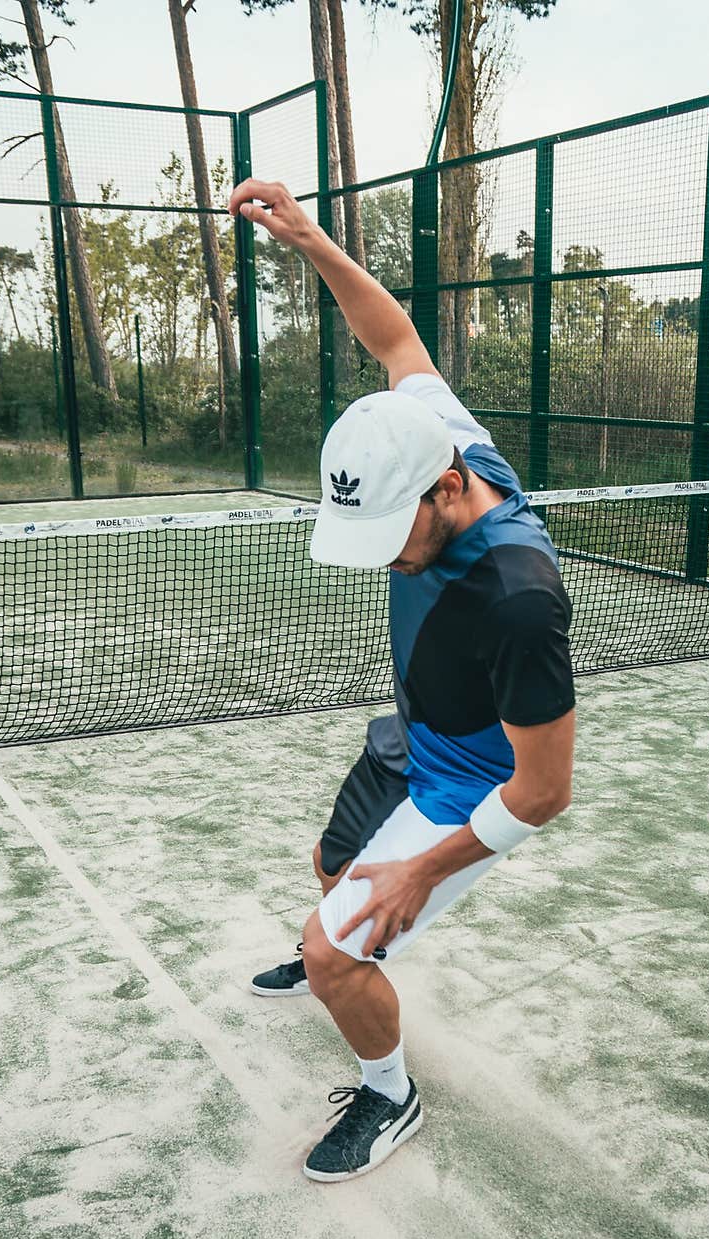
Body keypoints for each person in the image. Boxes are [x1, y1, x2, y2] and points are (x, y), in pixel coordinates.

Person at [228, 178, 576, 1183]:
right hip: (414, 731)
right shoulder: (439, 434)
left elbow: (545, 790)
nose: (385, 559)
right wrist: (311, 239)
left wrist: (426, 867)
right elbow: (397, 343)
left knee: (336, 950)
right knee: (331, 866)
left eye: (394, 535)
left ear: (449, 488)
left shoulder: (517, 596)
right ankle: (342, 949)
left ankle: (390, 1096)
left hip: (469, 783)